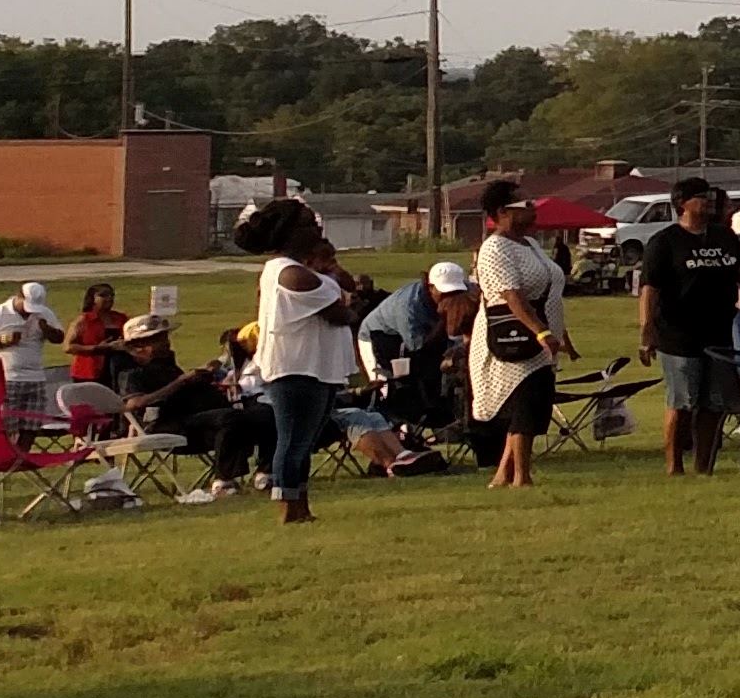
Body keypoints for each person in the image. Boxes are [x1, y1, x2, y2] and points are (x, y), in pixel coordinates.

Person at [227, 197, 372, 522]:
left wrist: (336, 277)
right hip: (296, 368)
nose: (317, 229)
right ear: (291, 233)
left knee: (305, 441)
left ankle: (301, 505)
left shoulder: (303, 270)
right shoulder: (292, 274)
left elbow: (345, 291)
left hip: (316, 366)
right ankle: (288, 506)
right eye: (309, 224)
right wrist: (348, 301)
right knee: (293, 440)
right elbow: (340, 312)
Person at [466, 177, 574, 488]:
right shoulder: (495, 248)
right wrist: (541, 332)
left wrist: (561, 334)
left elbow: (549, 291)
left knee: (533, 403)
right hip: (515, 337)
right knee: (524, 404)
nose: (533, 210)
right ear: (502, 211)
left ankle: (503, 474)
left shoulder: (530, 244)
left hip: (541, 337)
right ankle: (521, 476)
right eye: (526, 205)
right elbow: (512, 296)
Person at [641, 182, 740, 475]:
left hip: (718, 330)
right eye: (701, 197)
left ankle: (704, 466)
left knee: (714, 403)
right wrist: (647, 329)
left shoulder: (723, 236)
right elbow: (650, 288)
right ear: (682, 203)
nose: (710, 201)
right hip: (678, 332)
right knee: (682, 401)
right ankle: (674, 466)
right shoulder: (665, 241)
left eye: (711, 196)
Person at [360, 261, 471, 438]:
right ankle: (393, 436)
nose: (450, 297)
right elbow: (417, 346)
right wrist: (444, 318)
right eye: (445, 293)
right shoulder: (408, 306)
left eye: (456, 292)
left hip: (425, 334)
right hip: (381, 337)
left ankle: (440, 425)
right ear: (430, 286)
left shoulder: (467, 291)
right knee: (387, 387)